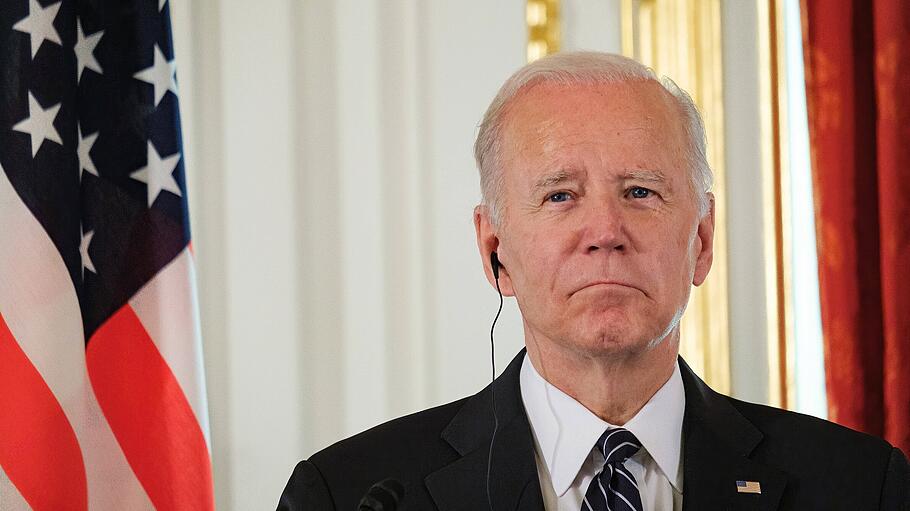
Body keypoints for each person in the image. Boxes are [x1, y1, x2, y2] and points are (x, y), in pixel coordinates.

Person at [277, 52, 909, 510]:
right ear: (494, 249)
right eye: (560, 196)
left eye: (641, 191)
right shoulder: (350, 493)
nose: (605, 229)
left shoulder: (860, 486)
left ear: (703, 240)